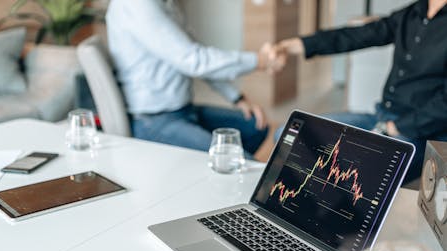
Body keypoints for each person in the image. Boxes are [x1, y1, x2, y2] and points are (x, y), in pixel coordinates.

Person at [273, 0, 447, 183]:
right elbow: (357, 35)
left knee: (352, 176)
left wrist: (399, 127)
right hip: (382, 118)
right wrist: (292, 45)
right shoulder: (413, 12)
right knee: (287, 135)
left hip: (420, 132)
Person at [106, 0, 283, 159]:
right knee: (246, 168)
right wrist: (259, 60)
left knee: (255, 126)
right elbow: (193, 60)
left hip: (184, 111)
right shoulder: (136, 4)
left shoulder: (165, 4)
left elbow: (195, 54)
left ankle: (217, 180)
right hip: (154, 121)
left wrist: (237, 97)